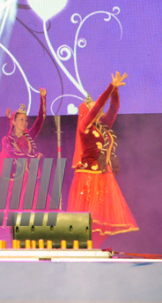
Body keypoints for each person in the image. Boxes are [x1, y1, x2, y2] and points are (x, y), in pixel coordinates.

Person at [68, 72, 138, 247]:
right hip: (88, 177)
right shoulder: (84, 126)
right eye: (93, 109)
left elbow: (113, 108)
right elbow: (100, 104)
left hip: (104, 176)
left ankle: (92, 248)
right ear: (87, 112)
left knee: (103, 220)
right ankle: (82, 249)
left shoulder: (103, 126)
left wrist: (115, 91)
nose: (98, 110)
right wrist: (110, 86)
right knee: (87, 221)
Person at [0, 89, 47, 209]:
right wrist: (34, 156)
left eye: (26, 120)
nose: (25, 122)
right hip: (14, 183)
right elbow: (14, 154)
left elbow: (41, 119)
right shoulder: (6, 140)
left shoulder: (30, 137)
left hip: (29, 182)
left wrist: (43, 98)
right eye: (21, 120)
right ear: (13, 122)